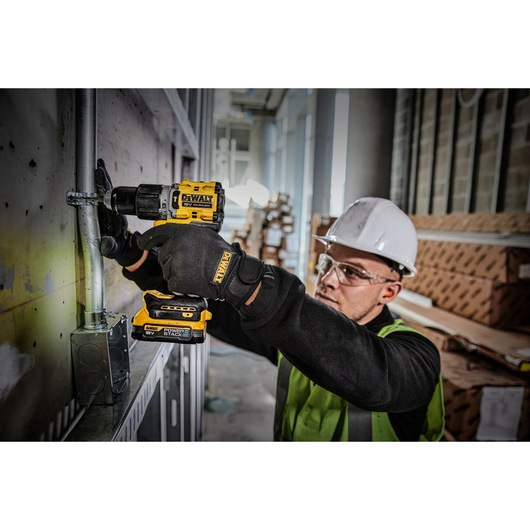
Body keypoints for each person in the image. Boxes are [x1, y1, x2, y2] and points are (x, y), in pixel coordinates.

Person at [96, 159, 445, 441]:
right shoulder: (297, 336)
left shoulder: (416, 357)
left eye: (352, 272)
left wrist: (242, 279)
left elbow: (372, 374)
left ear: (390, 291)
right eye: (327, 263)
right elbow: (220, 311)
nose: (328, 279)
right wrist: (133, 254)